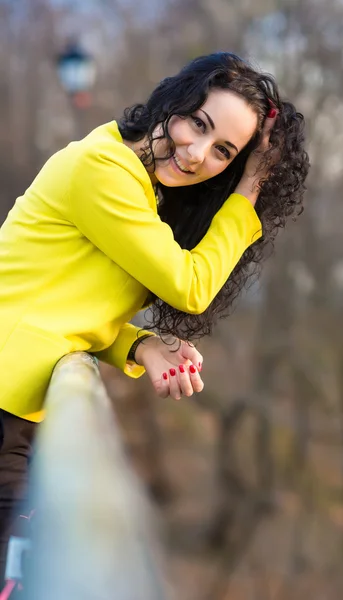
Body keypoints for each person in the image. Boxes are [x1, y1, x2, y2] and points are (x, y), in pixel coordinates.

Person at [0, 51, 309, 582]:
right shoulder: (103, 170)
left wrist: (138, 345)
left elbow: (63, 307)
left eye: (224, 152)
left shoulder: (145, 195)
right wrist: (249, 188)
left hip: (19, 413)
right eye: (198, 123)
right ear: (177, 98)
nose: (195, 153)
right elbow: (191, 287)